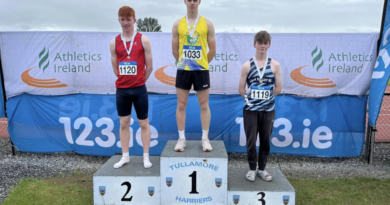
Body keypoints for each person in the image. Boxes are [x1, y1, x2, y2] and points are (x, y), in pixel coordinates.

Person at [109, 6, 154, 169]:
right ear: (119, 20)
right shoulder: (114, 42)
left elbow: (149, 67)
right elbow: (116, 68)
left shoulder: (144, 40)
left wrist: (139, 80)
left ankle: (146, 157)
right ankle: (125, 156)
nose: (126, 22)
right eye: (123, 19)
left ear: (134, 20)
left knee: (143, 123)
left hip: (139, 89)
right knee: (124, 123)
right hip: (122, 90)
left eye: (129, 19)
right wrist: (126, 80)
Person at [171, 0, 216, 152]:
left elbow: (213, 50)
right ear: (185, 1)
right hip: (183, 70)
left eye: (195, 0)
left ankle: (205, 138)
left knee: (204, 105)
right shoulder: (177, 24)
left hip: (201, 70)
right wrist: (186, 64)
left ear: (199, 2)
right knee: (181, 105)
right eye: (189, 0)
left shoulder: (208, 23)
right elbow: (175, 50)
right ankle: (181, 138)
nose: (192, 2)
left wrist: (201, 64)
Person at [238, 31, 282, 182]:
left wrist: (267, 100)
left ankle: (262, 169)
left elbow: (278, 88)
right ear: (254, 44)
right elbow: (241, 89)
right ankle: (251, 169)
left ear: (269, 45)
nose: (262, 46)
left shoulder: (275, 65)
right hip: (250, 110)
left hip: (268, 110)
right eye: (259, 43)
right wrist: (250, 100)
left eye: (265, 43)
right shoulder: (247, 65)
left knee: (265, 139)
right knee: (251, 140)